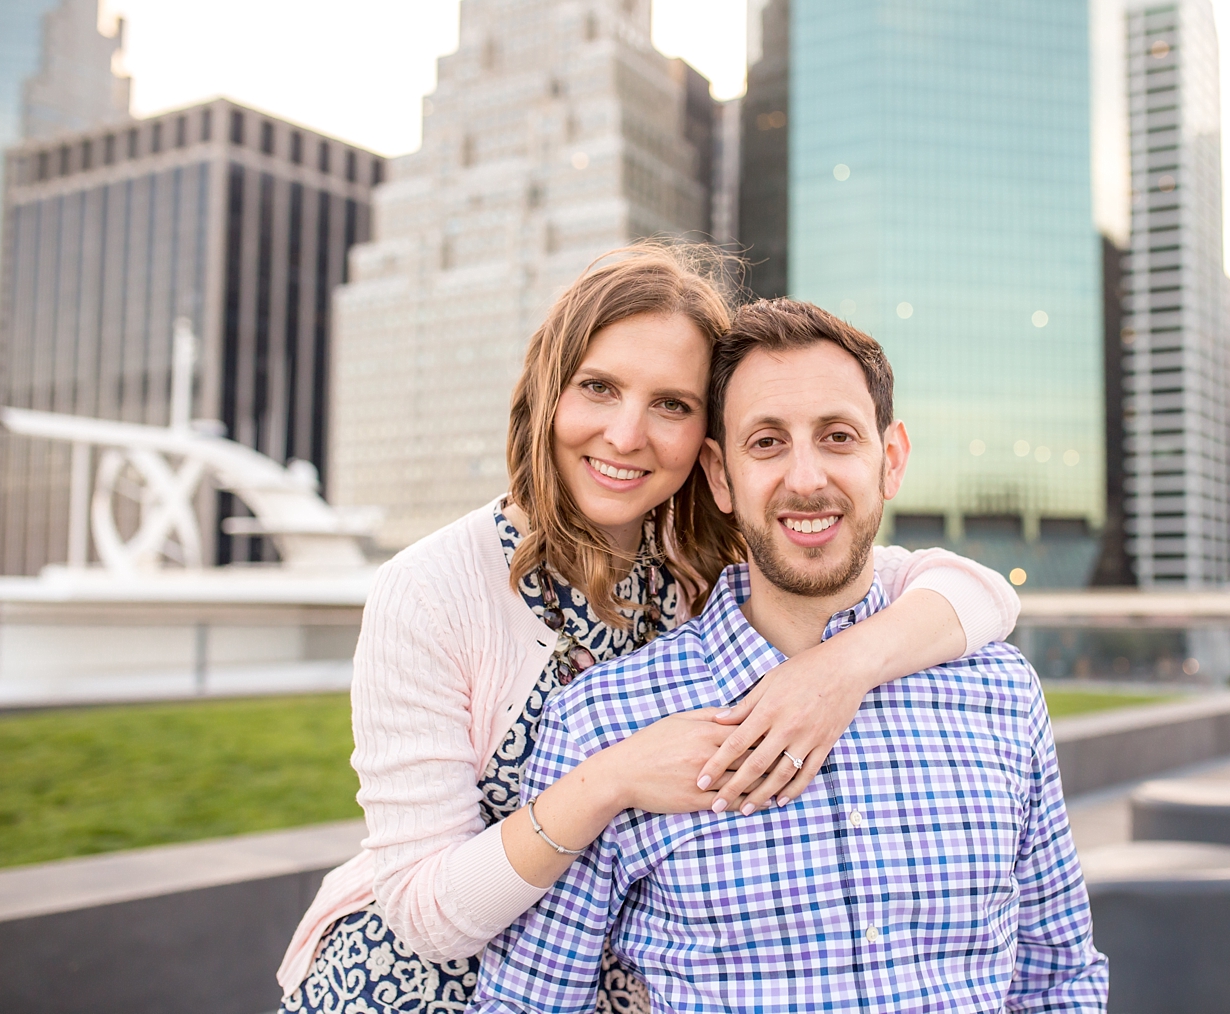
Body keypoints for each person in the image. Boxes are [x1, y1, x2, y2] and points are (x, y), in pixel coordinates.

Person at [277, 247, 1023, 1013]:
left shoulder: (708, 562)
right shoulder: (432, 590)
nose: (627, 434)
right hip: (416, 989)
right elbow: (427, 919)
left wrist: (838, 672)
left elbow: (981, 594)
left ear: (711, 446)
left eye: (671, 403)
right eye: (598, 388)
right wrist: (612, 779)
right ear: (546, 393)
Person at [468, 298, 1107, 1014]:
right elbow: (526, 1003)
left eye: (837, 437)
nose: (806, 479)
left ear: (889, 459)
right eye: (767, 443)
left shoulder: (1001, 694)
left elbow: (1058, 978)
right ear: (718, 475)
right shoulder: (607, 720)